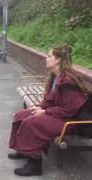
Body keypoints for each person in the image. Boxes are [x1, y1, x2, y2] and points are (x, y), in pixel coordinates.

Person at [8, 45, 90, 176]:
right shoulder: (54, 77)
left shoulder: (69, 81)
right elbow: (50, 100)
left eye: (49, 56)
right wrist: (41, 107)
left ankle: (34, 165)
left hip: (68, 122)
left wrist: (45, 112)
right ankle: (23, 150)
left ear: (58, 60)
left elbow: (69, 110)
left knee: (32, 123)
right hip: (57, 115)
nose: (46, 58)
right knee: (20, 115)